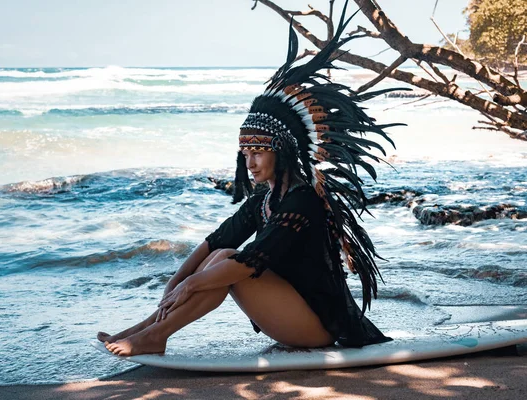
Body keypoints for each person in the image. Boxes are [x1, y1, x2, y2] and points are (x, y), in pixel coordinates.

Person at [98, 4, 400, 357]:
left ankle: (156, 334)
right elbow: (215, 242)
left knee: (228, 264)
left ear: (282, 151)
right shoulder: (264, 200)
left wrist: (193, 283)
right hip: (289, 314)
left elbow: (250, 259)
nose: (250, 162)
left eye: (258, 152)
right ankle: (148, 329)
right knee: (219, 257)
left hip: (319, 327)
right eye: (245, 154)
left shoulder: (302, 201)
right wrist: (176, 282)